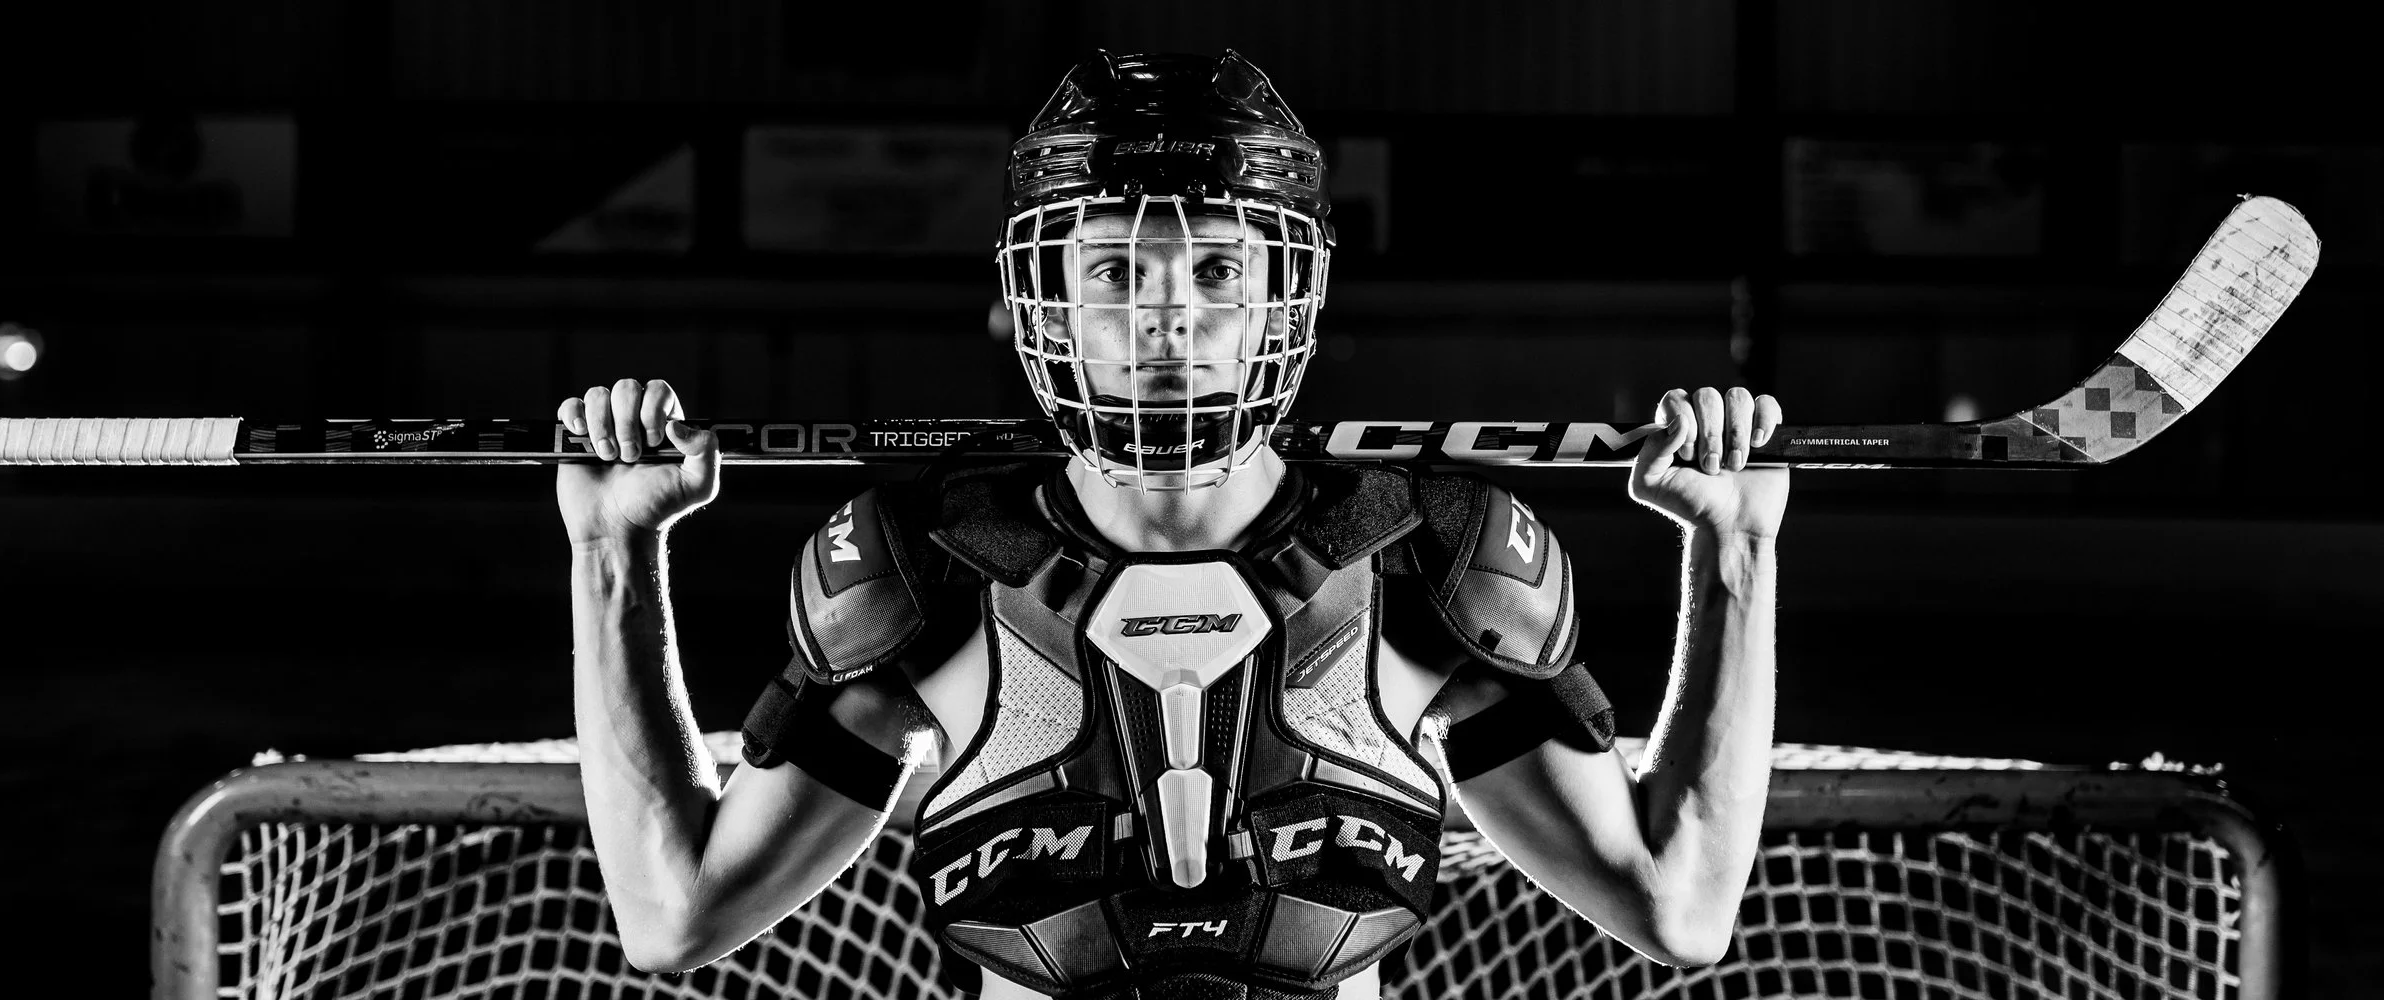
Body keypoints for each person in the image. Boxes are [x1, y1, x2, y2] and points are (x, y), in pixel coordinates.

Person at [556, 50, 1785, 1000]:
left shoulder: (1423, 562)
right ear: (1043, 296)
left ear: (1277, 296)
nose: (1164, 318)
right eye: (1113, 272)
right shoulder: (930, 570)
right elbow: (675, 918)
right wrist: (611, 552)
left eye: (1211, 270)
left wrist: (1734, 549)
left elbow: (1678, 910)